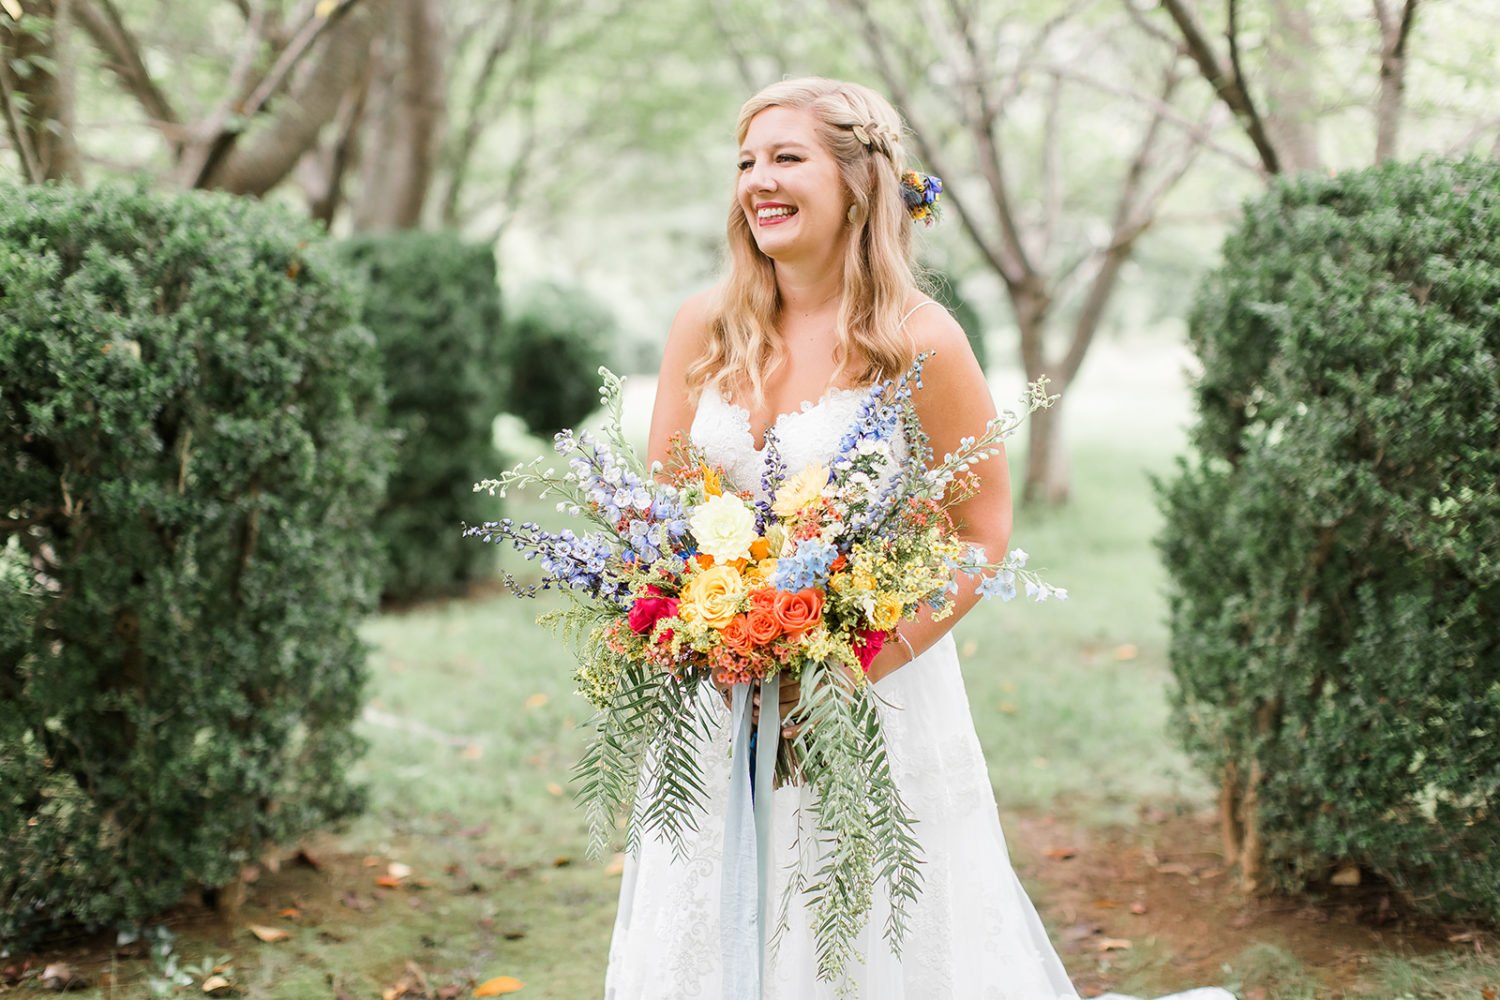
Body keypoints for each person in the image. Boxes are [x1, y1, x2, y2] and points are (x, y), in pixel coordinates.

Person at [605, 77, 1225, 1000]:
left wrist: (853, 663)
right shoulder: (703, 326)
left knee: (866, 930)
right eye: (745, 162)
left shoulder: (916, 337)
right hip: (713, 699)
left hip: (871, 693)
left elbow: (980, 529)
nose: (756, 181)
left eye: (786, 157)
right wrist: (690, 626)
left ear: (859, 181)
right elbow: (657, 517)